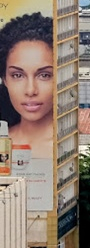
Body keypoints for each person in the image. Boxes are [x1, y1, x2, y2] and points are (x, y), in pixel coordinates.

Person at [0, 12, 54, 159]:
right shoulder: (3, 143)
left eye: (44, 75)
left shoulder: (71, 147)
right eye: (18, 75)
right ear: (4, 79)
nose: (31, 90)